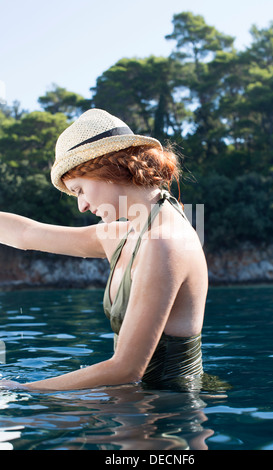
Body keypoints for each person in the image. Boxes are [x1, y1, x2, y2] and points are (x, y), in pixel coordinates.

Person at [0, 108, 208, 392]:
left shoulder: (164, 242)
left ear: (104, 168)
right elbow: (27, 234)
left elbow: (126, 369)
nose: (81, 205)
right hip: (136, 408)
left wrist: (20, 390)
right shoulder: (129, 233)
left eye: (79, 190)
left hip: (168, 421)